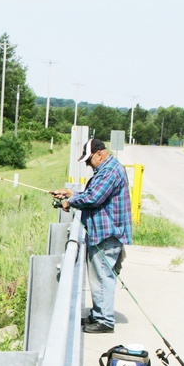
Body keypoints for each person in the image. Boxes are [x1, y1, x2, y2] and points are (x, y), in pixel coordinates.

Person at [52, 137, 133, 333]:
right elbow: (92, 192)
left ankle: (105, 321)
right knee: (98, 276)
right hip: (103, 233)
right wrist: (71, 194)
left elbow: (94, 197)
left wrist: (69, 203)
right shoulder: (106, 169)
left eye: (89, 160)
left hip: (107, 234)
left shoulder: (110, 171)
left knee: (102, 276)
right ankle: (98, 314)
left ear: (99, 154)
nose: (88, 164)